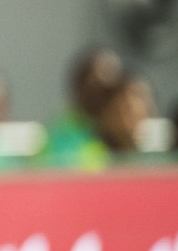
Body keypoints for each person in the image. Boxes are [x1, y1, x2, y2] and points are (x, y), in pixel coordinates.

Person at [37, 43, 124, 171]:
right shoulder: (63, 135)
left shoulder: (128, 128)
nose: (99, 92)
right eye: (93, 85)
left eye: (110, 87)